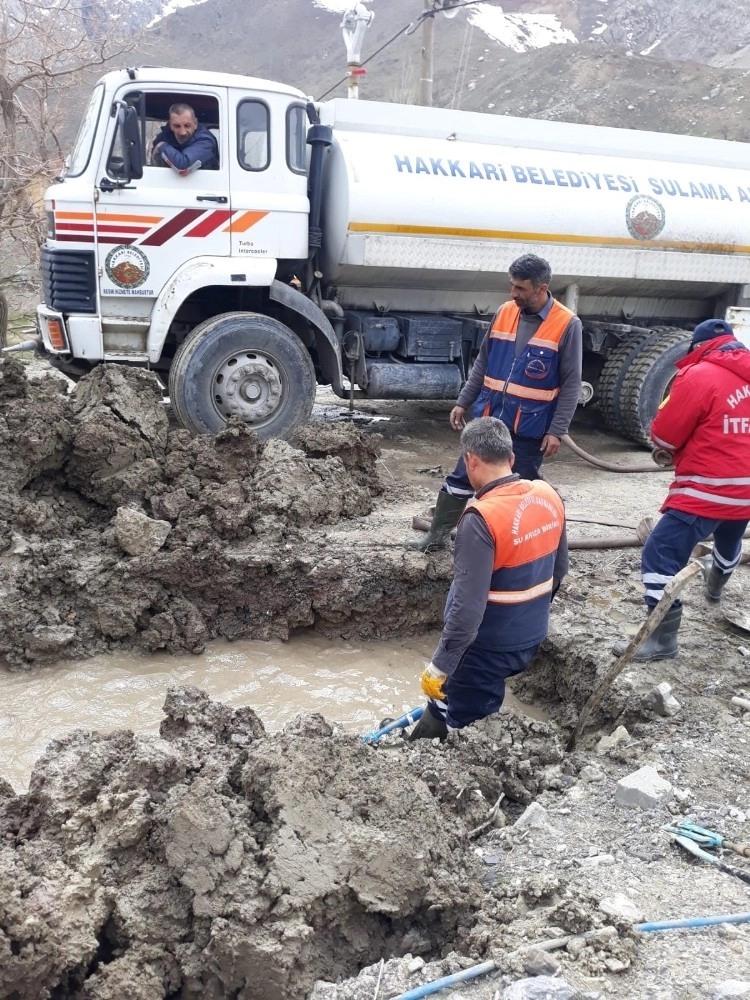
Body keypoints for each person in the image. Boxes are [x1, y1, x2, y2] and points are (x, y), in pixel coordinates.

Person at [409, 254, 582, 566]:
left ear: (541, 288)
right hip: (490, 420)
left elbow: (571, 384)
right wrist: (464, 400)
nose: (513, 294)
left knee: (520, 491)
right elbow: (483, 363)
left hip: (529, 429)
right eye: (511, 286)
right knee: (461, 477)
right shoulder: (504, 312)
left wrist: (557, 429)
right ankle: (435, 538)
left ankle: (532, 553)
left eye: (520, 288)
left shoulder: (567, 324)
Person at [407, 417, 565, 741]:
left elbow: (467, 610)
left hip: (485, 648)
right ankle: (424, 734)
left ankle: (458, 762)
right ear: (511, 459)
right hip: (531, 634)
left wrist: (439, 666)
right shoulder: (548, 495)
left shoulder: (481, 518)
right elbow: (560, 569)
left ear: (470, 461)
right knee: (450, 696)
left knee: (468, 732)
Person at [613, 319, 750, 661]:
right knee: (731, 534)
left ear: (699, 346)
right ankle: (716, 584)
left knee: (659, 553)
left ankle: (661, 639)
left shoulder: (698, 375)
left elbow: (664, 437)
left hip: (709, 489)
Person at [151, 103, 219, 174]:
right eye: (177, 126)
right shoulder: (163, 137)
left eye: (187, 126)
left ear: (195, 123)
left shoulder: (206, 141)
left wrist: (162, 146)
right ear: (171, 125)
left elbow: (183, 166)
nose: (182, 132)